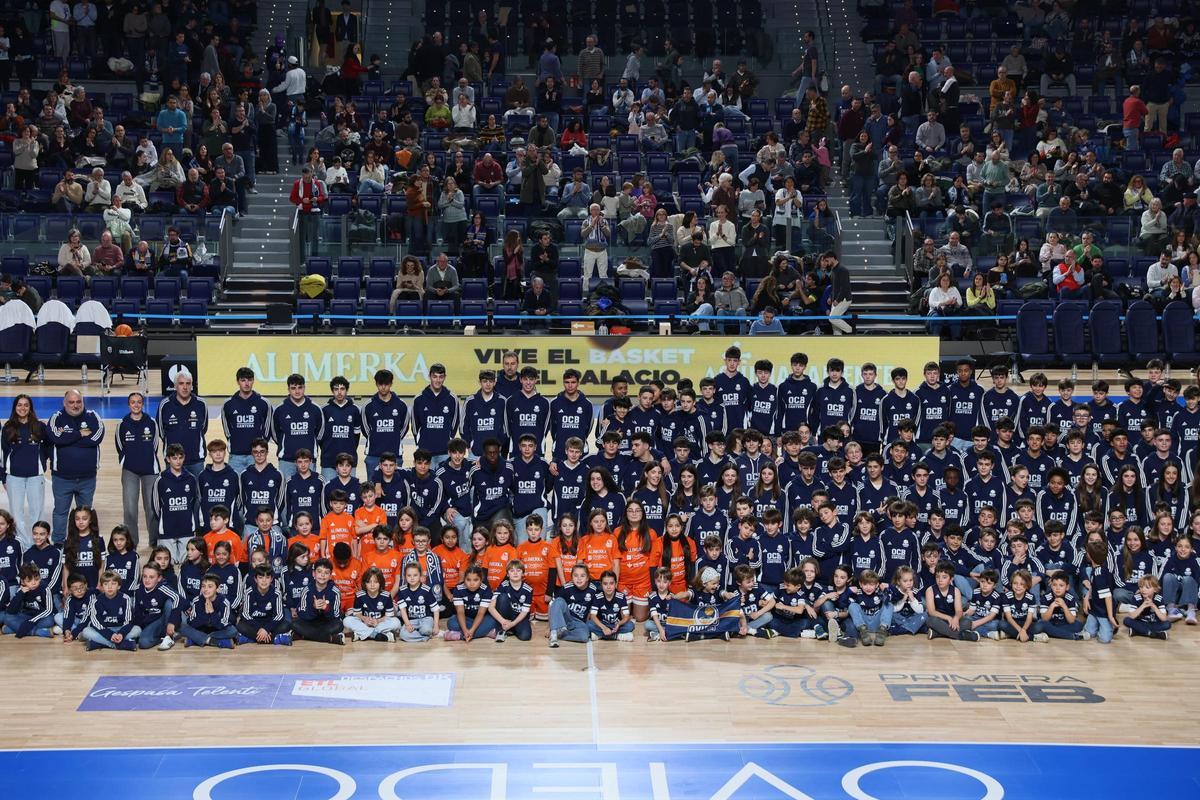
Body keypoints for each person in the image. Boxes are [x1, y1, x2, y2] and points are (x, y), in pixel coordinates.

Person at [46, 390, 104, 545]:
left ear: (83, 402)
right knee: (60, 513)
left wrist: (67, 439)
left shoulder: (93, 416)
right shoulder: (55, 418)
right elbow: (54, 437)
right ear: (64, 403)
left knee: (85, 514)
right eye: (71, 402)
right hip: (62, 478)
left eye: (78, 401)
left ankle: (85, 543)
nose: (75, 405)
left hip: (87, 477)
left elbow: (96, 438)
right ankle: (58, 544)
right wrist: (81, 433)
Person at [1, 394, 47, 550]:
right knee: (16, 515)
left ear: (30, 408)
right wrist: (3, 478)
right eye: (19, 405)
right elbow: (3, 453)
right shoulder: (8, 427)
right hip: (14, 477)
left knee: (37, 512)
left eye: (26, 405)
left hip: (35, 476)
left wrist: (43, 465)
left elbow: (48, 447)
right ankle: (24, 545)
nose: (22, 408)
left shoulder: (40, 426)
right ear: (15, 407)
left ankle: (37, 543)